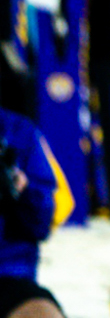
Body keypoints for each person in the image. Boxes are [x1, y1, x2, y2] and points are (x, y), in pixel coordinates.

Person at [0, 105, 67, 318]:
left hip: (8, 275)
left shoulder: (19, 132)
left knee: (41, 314)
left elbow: (41, 226)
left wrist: (23, 190)